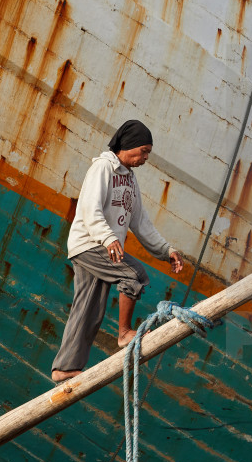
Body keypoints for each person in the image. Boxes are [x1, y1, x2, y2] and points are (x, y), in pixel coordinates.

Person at [51, 120, 184, 382]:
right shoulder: (103, 168)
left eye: (148, 153)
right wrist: (109, 238)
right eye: (143, 151)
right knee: (134, 275)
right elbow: (90, 209)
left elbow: (140, 223)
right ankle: (124, 333)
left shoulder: (129, 179)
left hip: (103, 246)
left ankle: (64, 367)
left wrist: (166, 250)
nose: (145, 158)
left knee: (89, 310)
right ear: (129, 145)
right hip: (90, 244)